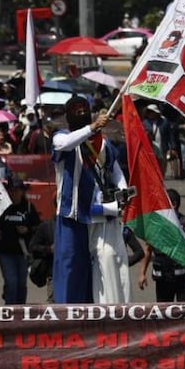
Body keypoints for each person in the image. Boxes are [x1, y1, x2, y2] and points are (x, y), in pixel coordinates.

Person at [51, 96, 131, 303]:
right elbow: (65, 145)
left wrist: (123, 192)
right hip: (73, 215)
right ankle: (67, 313)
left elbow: (115, 171)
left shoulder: (103, 143)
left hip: (101, 214)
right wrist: (93, 126)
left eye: (83, 108)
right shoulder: (61, 137)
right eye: (75, 109)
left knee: (105, 265)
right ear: (68, 115)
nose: (80, 111)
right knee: (70, 267)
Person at [139, 189, 185, 301]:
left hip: (183, 279)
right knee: (164, 315)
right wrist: (142, 273)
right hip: (162, 279)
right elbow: (147, 250)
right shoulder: (153, 225)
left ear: (173, 204)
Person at [0, 177, 39, 305]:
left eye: (18, 190)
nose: (15, 193)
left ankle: (21, 310)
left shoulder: (28, 207)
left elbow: (38, 227)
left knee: (21, 284)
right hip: (6, 251)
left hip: (23, 252)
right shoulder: (2, 207)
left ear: (22, 191)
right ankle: (10, 311)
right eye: (12, 190)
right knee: (11, 282)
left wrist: (27, 230)